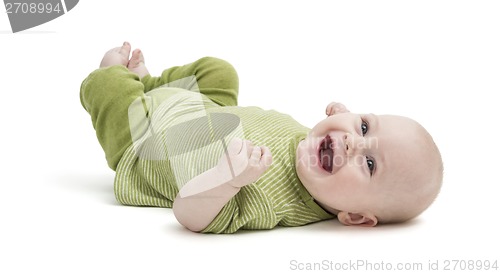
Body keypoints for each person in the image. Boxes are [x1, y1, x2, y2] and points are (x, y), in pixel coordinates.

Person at [80, 42, 443, 234]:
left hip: (145, 143)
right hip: (203, 108)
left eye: (369, 163)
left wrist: (228, 180)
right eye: (364, 127)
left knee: (107, 86)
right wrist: (340, 119)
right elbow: (337, 133)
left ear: (356, 218)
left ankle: (126, 84)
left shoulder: (272, 202)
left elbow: (187, 215)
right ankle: (150, 84)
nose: (353, 142)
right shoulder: (317, 147)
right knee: (220, 72)